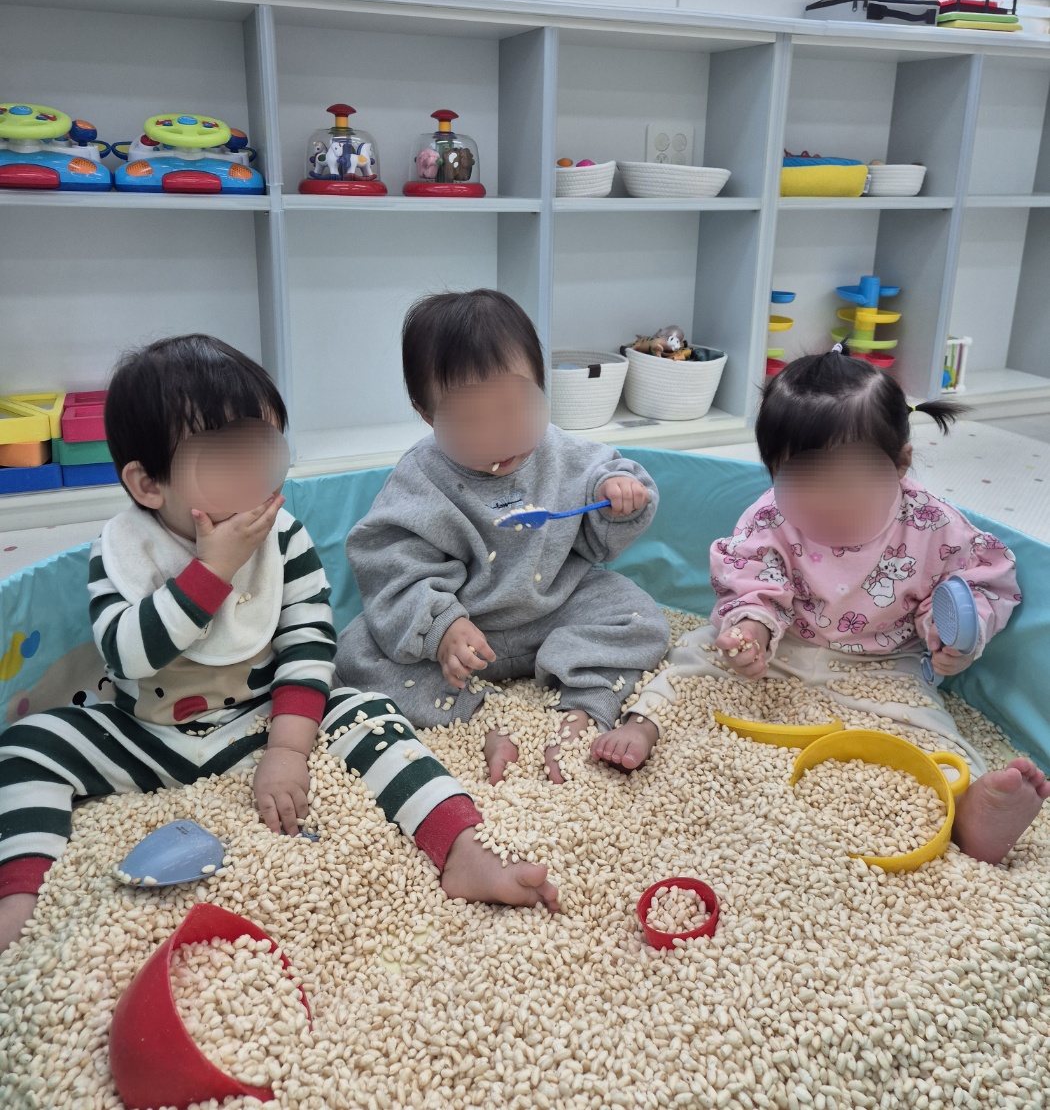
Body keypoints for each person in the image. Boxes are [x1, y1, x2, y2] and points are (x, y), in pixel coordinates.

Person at [0, 334, 557, 955]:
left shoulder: (283, 539)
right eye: (224, 458)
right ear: (148, 484)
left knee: (369, 714)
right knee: (28, 745)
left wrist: (290, 748)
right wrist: (210, 572)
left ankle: (460, 848)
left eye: (263, 449)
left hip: (262, 721)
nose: (253, 476)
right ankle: (21, 901)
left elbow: (309, 642)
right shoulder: (122, 550)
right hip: (147, 736)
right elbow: (127, 655)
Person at [593, 348, 1048, 864]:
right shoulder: (771, 516)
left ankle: (969, 807)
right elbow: (752, 577)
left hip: (883, 666)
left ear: (899, 464)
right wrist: (751, 629)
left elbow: (981, 583)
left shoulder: (933, 524)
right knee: (694, 658)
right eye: (800, 480)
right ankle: (645, 724)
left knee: (925, 725)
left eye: (847, 481)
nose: (824, 502)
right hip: (782, 645)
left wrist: (954, 634)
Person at [335, 290, 669, 784]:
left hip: (557, 609)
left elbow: (602, 519)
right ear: (428, 415)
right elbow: (391, 566)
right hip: (465, 638)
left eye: (515, 408)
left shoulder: (565, 453)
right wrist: (442, 626)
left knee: (640, 617)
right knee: (356, 654)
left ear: (540, 387)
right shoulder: (419, 481)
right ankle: (482, 717)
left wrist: (618, 495)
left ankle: (582, 706)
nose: (501, 435)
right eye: (473, 420)